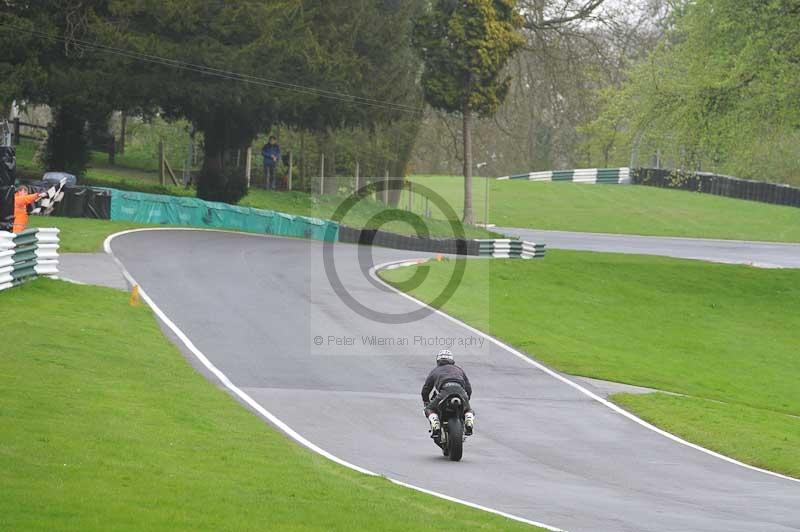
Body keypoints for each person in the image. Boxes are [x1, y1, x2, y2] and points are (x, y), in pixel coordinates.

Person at [421, 349, 475, 436]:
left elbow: (426, 389)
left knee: (429, 409)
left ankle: (435, 422)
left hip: (445, 391)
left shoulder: (435, 371)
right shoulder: (459, 369)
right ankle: (469, 419)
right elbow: (468, 387)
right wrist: (466, 399)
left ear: (438, 360)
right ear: (451, 360)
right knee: (468, 409)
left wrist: (426, 402)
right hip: (460, 391)